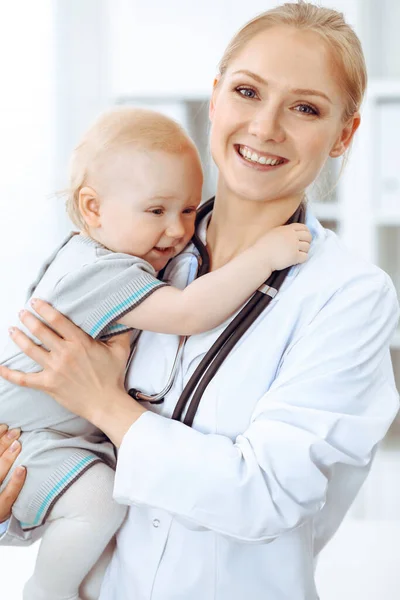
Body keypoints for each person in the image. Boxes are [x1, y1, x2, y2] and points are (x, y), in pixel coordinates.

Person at [0, 2, 399, 599]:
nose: (265, 127)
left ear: (344, 133)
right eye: (247, 91)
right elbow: (54, 463)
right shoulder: (125, 258)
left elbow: (263, 497)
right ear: (215, 99)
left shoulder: (349, 296)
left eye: (306, 107)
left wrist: (105, 403)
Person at [0, 106, 310, 600]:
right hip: (30, 438)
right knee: (98, 505)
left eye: (188, 210)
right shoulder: (106, 271)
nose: (177, 230)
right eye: (156, 211)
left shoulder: (86, 252)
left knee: (103, 559)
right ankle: (44, 592)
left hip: (56, 435)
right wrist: (265, 257)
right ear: (94, 208)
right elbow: (189, 312)